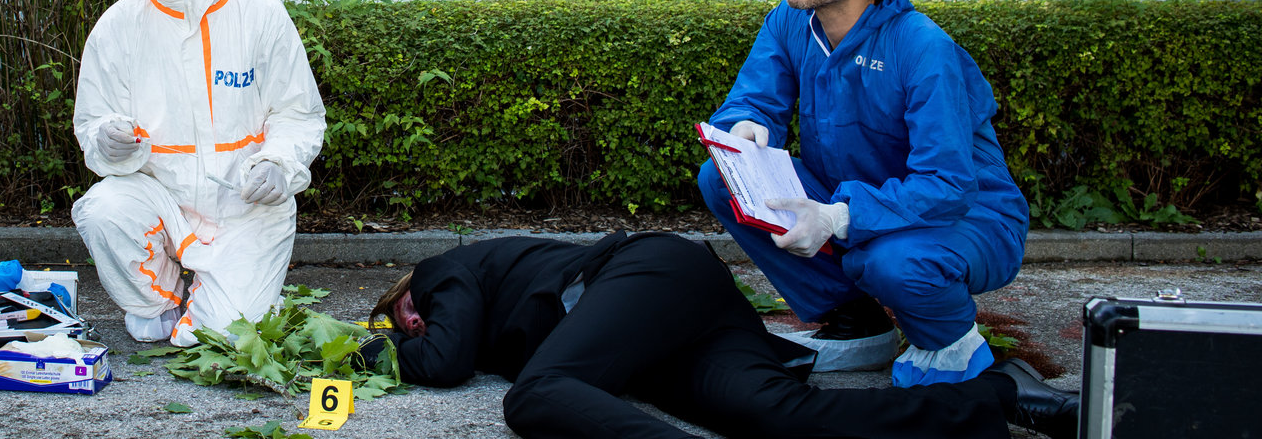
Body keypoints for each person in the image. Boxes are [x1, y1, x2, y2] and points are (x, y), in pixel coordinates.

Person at [699, 0, 1030, 387]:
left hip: (965, 216)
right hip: (860, 203)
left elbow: (948, 184)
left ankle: (951, 346)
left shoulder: (922, 49)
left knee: (892, 262)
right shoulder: (791, 22)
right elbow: (754, 100)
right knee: (722, 176)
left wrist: (836, 217)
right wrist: (745, 126)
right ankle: (856, 322)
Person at [377, 231, 1076, 439]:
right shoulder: (451, 308)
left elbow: (441, 361)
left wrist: (359, 346)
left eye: (403, 312)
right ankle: (999, 401)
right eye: (403, 325)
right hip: (666, 329)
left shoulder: (442, 272)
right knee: (773, 412)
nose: (412, 323)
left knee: (537, 396)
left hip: (646, 273)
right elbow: (451, 352)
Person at [72, 0, 326, 347]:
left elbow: (299, 114)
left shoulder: (259, 13)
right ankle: (161, 299)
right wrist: (104, 136)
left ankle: (214, 297)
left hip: (243, 208)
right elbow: (92, 121)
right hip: (161, 203)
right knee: (104, 209)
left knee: (220, 339)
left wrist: (279, 162)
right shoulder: (119, 27)